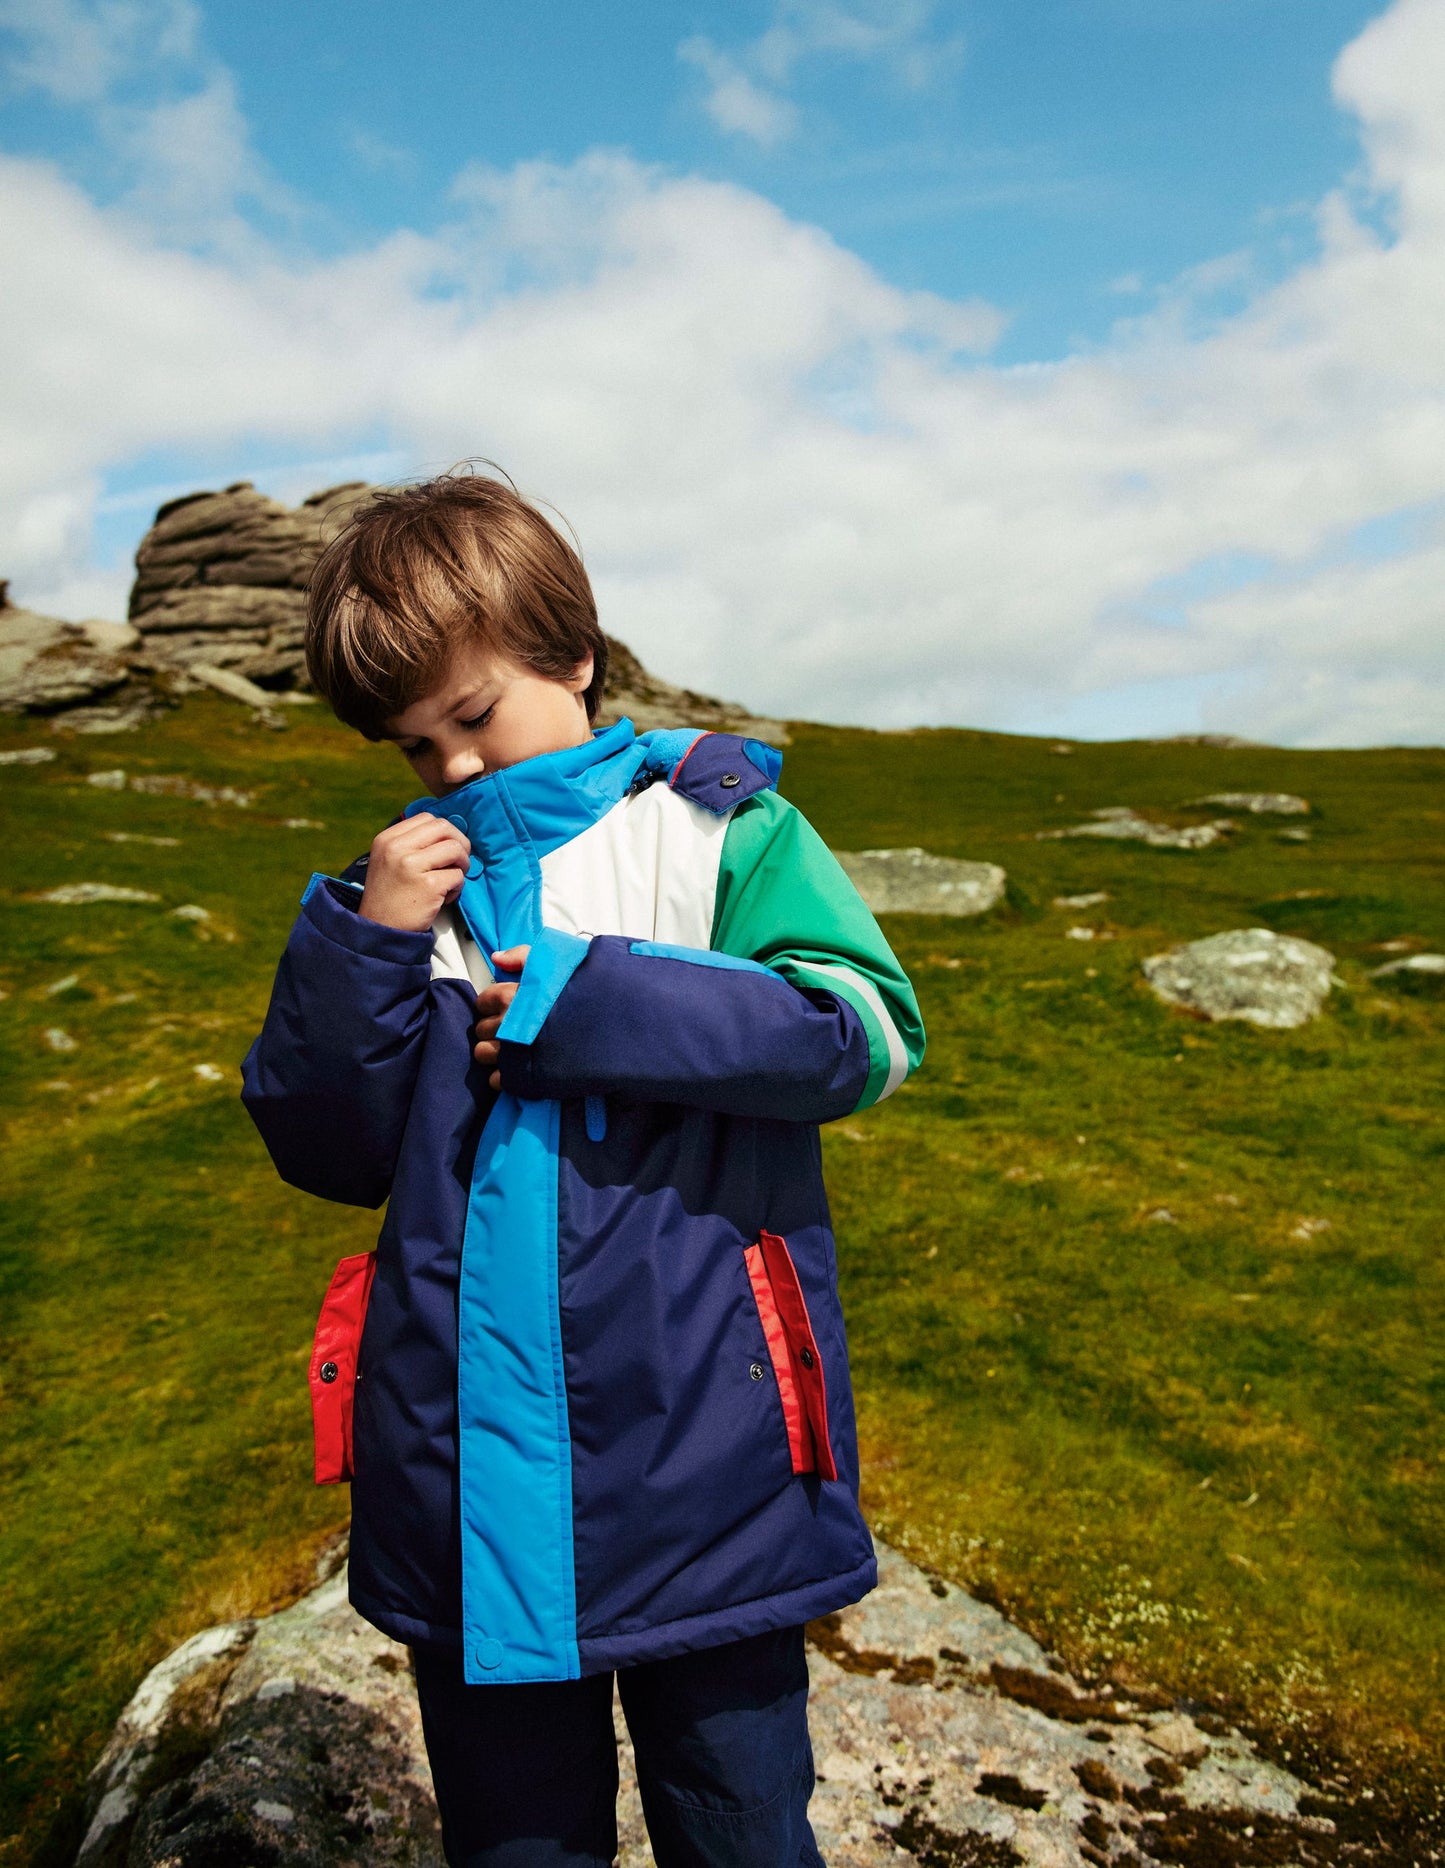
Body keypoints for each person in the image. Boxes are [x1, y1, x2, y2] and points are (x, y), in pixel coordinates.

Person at [241, 469, 925, 1867]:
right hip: (455, 1483)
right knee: (514, 1837)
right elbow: (325, 1150)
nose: (452, 769)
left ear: (575, 659)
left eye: (474, 714)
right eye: (412, 744)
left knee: (739, 1823)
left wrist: (595, 1003)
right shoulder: (401, 904)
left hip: (708, 1458)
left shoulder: (716, 828)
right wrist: (362, 947)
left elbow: (859, 1034)